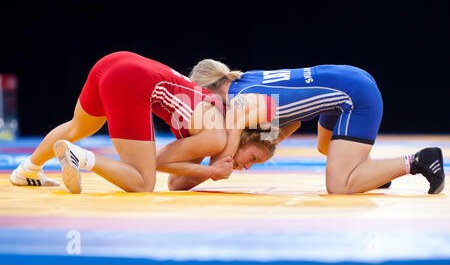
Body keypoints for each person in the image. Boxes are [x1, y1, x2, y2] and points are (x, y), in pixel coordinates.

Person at [184, 59, 445, 194]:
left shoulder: (239, 101)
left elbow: (225, 155)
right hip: (344, 82)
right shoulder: (245, 81)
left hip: (354, 94)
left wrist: (206, 167)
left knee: (339, 186)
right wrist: (265, 142)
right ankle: (374, 175)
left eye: (204, 101)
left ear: (209, 92)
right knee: (326, 149)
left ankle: (420, 160)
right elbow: (295, 121)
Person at [10, 51, 237, 194]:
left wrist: (210, 170)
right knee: (143, 183)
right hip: (132, 80)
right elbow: (162, 165)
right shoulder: (216, 134)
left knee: (77, 126)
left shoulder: (200, 102)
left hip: (112, 61)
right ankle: (80, 156)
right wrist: (212, 170)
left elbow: (174, 179)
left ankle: (27, 170)